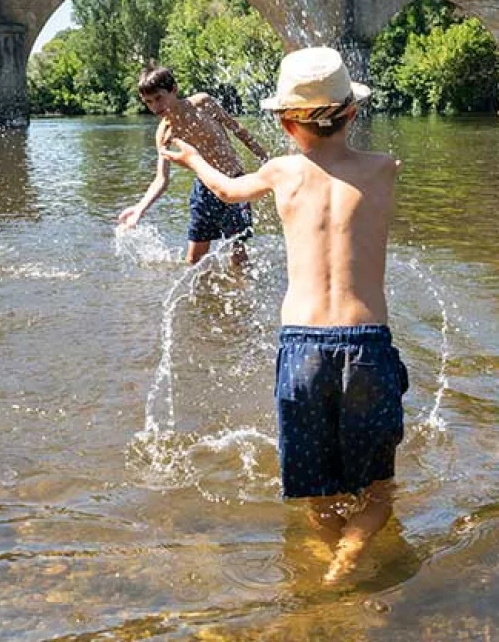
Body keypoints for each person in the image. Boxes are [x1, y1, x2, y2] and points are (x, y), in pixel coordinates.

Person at [160, 46, 408, 583]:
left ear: (284, 122)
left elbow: (225, 188)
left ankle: (326, 564)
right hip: (366, 346)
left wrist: (188, 158)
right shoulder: (385, 170)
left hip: (301, 348)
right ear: (353, 113)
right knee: (379, 492)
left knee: (316, 491)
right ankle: (346, 562)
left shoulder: (280, 171)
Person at [117, 64, 269, 265]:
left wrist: (266, 159)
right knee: (194, 259)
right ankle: (204, 296)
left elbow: (237, 129)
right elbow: (161, 179)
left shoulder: (202, 103)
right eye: (148, 102)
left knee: (238, 256)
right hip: (205, 190)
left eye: (159, 98)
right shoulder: (165, 133)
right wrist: (140, 209)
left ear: (174, 89)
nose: (155, 106)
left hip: (235, 181)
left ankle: (241, 292)